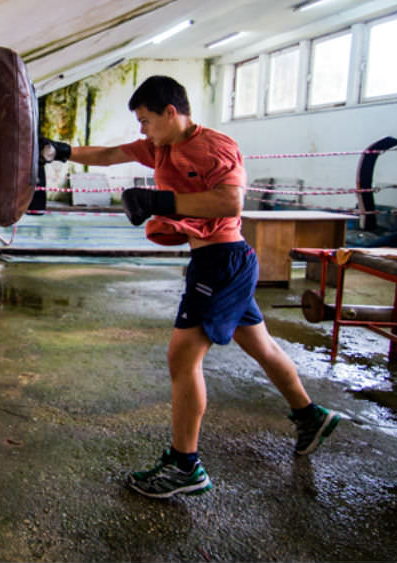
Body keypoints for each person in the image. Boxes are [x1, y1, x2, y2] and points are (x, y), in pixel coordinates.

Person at [40, 75, 340, 499]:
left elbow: (230, 202)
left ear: (171, 113)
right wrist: (60, 150)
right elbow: (109, 154)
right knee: (261, 345)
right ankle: (310, 416)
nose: (142, 130)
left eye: (146, 120)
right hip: (216, 261)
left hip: (222, 261)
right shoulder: (161, 146)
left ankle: (186, 465)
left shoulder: (215, 146)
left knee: (183, 357)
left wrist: (159, 202)